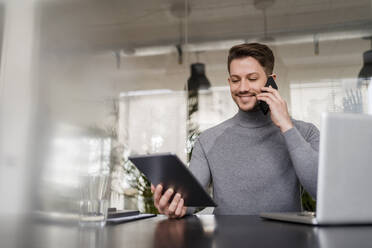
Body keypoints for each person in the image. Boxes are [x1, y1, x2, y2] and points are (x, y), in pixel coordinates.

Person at [151, 43, 319, 218]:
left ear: (271, 81)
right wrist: (174, 206)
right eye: (236, 80)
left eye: (252, 78)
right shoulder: (207, 140)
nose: (243, 88)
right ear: (229, 82)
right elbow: (189, 202)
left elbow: (319, 189)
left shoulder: (304, 133)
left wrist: (286, 126)